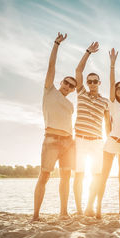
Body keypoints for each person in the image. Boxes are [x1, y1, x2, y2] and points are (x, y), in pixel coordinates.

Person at [32, 33, 77, 222]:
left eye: (72, 85)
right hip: (51, 139)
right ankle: (35, 216)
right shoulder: (49, 90)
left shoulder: (70, 104)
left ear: (73, 89)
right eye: (66, 82)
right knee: (44, 176)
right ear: (61, 82)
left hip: (69, 142)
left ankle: (64, 213)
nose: (68, 86)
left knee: (66, 178)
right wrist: (57, 44)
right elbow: (51, 67)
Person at [93, 48, 120, 220]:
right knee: (104, 175)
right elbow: (111, 83)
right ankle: (98, 208)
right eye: (118, 88)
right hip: (112, 142)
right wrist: (112, 65)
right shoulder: (112, 103)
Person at [73, 42, 110, 216]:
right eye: (89, 81)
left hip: (97, 142)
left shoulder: (105, 102)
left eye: (95, 81)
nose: (92, 83)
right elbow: (78, 71)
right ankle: (79, 210)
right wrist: (88, 52)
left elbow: (108, 123)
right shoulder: (81, 93)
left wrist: (109, 140)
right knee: (79, 175)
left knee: (96, 175)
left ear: (99, 83)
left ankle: (89, 206)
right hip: (80, 140)